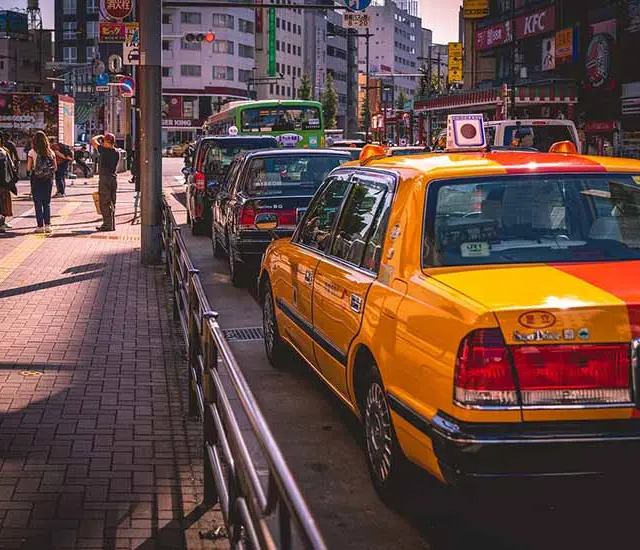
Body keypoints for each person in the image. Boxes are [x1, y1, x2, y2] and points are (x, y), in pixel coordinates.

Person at [26, 131, 57, 234]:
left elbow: (29, 167)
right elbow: (55, 167)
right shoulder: (50, 152)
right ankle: (48, 225)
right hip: (48, 179)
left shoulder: (32, 152)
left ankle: (40, 226)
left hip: (36, 179)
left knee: (37, 202)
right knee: (46, 202)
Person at [90, 132, 120, 232]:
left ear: (107, 141)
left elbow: (93, 140)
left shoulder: (104, 150)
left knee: (104, 202)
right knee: (112, 202)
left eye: (104, 141)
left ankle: (107, 225)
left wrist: (100, 136)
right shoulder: (117, 152)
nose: (102, 143)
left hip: (104, 179)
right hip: (113, 179)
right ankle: (111, 224)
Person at [0, 134, 17, 232]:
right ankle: (1, 224)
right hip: (3, 183)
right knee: (3, 203)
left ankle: (2, 223)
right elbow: (10, 167)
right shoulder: (4, 152)